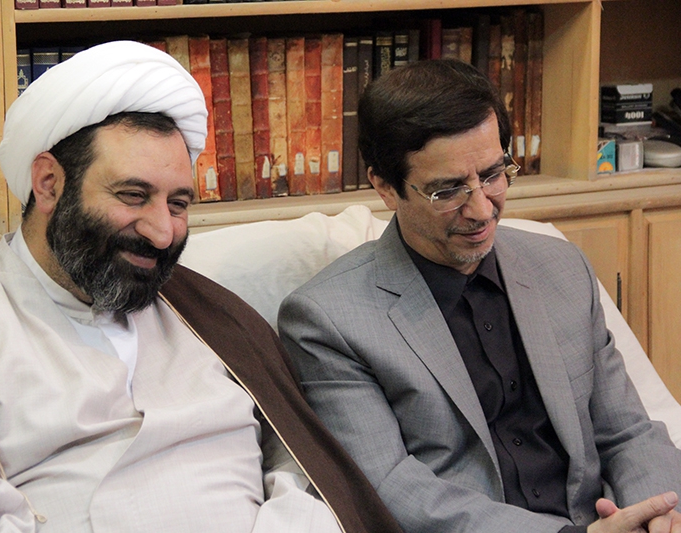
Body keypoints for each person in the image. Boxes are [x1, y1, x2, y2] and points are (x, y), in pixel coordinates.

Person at [0, 41, 403, 533]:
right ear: (48, 184)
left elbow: (303, 472)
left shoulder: (216, 317)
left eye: (177, 204)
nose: (162, 232)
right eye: (133, 196)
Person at [277, 59, 681, 533]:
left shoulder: (561, 267)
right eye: (448, 190)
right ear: (385, 187)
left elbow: (628, 432)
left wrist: (657, 514)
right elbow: (389, 486)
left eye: (492, 174)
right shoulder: (327, 320)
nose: (482, 209)